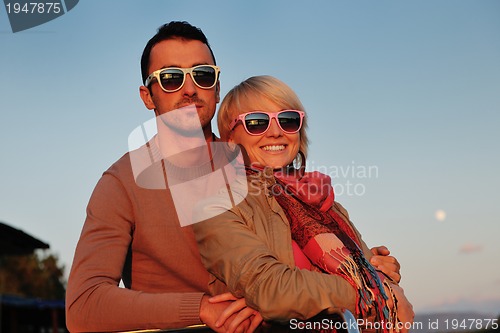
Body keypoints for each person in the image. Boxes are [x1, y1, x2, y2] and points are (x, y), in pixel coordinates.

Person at [66, 21, 402, 333]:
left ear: (216, 87)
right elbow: (84, 304)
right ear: (147, 96)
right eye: (170, 78)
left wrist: (362, 263)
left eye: (202, 75)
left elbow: (292, 260)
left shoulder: (259, 160)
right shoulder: (122, 183)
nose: (189, 88)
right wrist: (199, 309)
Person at [192, 75, 414, 332]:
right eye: (256, 123)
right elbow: (271, 288)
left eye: (287, 120)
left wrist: (380, 270)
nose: (275, 131)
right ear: (230, 139)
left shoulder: (323, 202)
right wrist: (374, 290)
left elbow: (370, 281)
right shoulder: (217, 205)